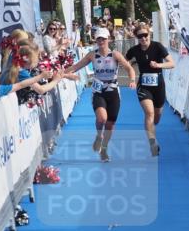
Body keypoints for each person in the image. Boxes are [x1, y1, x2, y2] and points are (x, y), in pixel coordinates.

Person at [66, 27, 137, 162]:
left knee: (110, 125)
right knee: (102, 118)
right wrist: (62, 73)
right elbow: (76, 67)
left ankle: (104, 149)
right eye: (98, 38)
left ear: (108, 39)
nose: (101, 41)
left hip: (113, 92)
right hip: (98, 91)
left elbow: (129, 68)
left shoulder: (115, 54)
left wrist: (132, 80)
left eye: (103, 38)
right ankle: (99, 136)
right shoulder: (92, 55)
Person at [125, 25, 175, 157]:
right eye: (140, 36)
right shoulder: (134, 50)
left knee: (157, 117)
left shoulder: (157, 47)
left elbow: (171, 63)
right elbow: (125, 62)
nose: (143, 38)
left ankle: (153, 128)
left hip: (158, 85)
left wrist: (159, 65)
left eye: (145, 35)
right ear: (136, 38)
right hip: (144, 86)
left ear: (149, 35)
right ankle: (153, 143)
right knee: (149, 113)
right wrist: (130, 74)